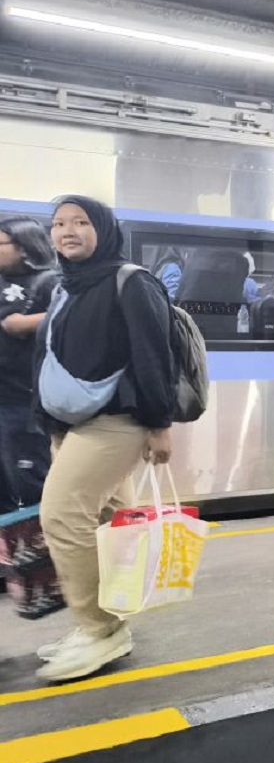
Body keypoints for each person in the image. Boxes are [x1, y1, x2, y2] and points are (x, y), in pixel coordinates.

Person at [33, 196, 176, 682]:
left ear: (105, 229)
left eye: (80, 222)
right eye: (58, 224)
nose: (67, 231)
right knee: (112, 524)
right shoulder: (64, 286)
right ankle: (108, 620)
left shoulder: (131, 281)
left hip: (117, 420)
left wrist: (160, 424)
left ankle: (99, 628)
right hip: (70, 424)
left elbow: (155, 355)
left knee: (60, 514)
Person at [0, 217, 58, 514]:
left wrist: (28, 322)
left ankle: (40, 554)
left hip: (26, 400)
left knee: (29, 478)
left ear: (24, 247)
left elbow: (73, 318)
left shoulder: (50, 282)